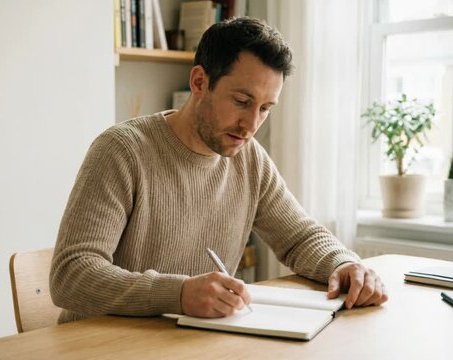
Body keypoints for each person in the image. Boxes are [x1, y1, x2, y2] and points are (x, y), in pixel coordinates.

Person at [49, 17, 388, 324]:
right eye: (241, 101)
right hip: (100, 344)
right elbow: (71, 275)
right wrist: (179, 294)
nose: (251, 124)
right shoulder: (122, 150)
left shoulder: (248, 157)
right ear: (199, 82)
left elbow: (300, 237)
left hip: (185, 343)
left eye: (265, 108)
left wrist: (344, 264)